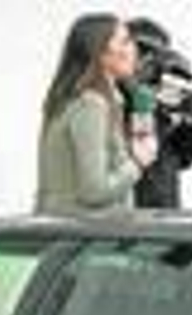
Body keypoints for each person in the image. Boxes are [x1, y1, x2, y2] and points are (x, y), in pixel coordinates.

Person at [35, 14, 156, 215]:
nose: (133, 49)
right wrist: (137, 163)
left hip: (69, 235)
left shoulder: (78, 99)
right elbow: (94, 191)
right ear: (100, 53)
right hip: (82, 237)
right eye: (125, 42)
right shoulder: (91, 104)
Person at [127, 17, 192, 210]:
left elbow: (185, 159)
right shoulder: (114, 96)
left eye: (155, 54)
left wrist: (190, 121)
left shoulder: (163, 94)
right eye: (143, 51)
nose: (149, 60)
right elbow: (137, 154)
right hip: (130, 212)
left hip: (166, 209)